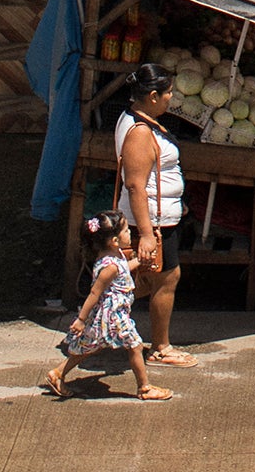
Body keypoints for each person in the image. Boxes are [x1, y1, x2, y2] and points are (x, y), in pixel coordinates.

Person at [44, 210, 172, 401]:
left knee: (90, 346)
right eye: (127, 230)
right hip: (113, 315)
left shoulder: (114, 257)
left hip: (108, 314)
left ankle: (58, 373)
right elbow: (94, 293)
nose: (130, 234)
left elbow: (123, 269)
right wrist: (80, 320)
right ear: (114, 240)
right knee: (135, 346)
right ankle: (144, 388)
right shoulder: (109, 266)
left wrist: (139, 261)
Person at [114, 60, 191, 368]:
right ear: (154, 96)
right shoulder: (139, 132)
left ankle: (109, 323)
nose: (172, 97)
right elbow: (135, 186)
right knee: (165, 280)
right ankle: (160, 348)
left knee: (144, 280)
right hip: (153, 222)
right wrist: (147, 234)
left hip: (163, 217)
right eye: (169, 92)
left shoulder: (138, 118)